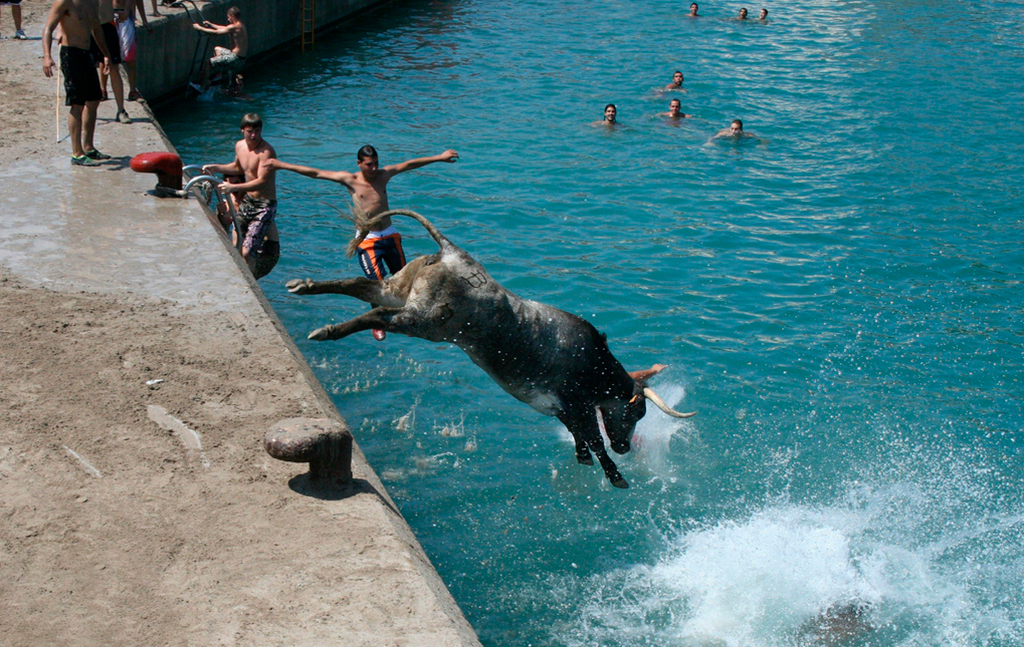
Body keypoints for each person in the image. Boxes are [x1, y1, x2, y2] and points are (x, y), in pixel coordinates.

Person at [267, 146, 459, 340]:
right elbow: (315, 173)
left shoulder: (384, 175)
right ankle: (376, 322)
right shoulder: (350, 180)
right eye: (369, 165)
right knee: (376, 284)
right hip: (368, 241)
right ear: (359, 164)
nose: (374, 168)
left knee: (405, 280)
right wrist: (281, 165)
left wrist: (439, 158)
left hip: (390, 236)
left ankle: (415, 317)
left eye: (376, 163)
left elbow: (409, 164)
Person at [201, 113, 280, 280]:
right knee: (236, 242)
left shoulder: (266, 152)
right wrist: (216, 168)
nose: (253, 135)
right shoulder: (240, 147)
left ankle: (250, 284)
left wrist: (233, 187)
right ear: (242, 130)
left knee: (247, 250)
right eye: (250, 131)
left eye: (257, 131)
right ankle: (237, 276)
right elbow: (238, 167)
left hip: (264, 204)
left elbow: (262, 182)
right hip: (249, 201)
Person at [43, 0, 112, 166]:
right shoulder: (65, 2)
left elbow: (96, 29)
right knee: (77, 103)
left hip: (87, 54)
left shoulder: (93, 3)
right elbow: (48, 28)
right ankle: (77, 153)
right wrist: (47, 56)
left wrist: (106, 54)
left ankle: (88, 147)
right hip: (71, 54)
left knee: (94, 99)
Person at [191, 6, 247, 91]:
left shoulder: (235, 27)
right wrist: (210, 24)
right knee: (217, 49)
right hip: (238, 57)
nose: (228, 19)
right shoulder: (239, 25)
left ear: (232, 16)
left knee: (208, 63)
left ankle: (201, 87)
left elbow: (216, 32)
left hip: (235, 59)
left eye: (228, 17)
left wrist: (200, 28)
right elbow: (224, 28)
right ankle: (218, 76)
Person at [93, 0, 129, 123]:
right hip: (86, 25)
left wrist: (125, 8)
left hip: (106, 23)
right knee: (85, 67)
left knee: (114, 67)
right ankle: (81, 109)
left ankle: (121, 110)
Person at [114, 0, 149, 101]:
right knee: (106, 56)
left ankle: (133, 90)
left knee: (130, 56)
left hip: (125, 16)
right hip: (109, 15)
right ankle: (103, 90)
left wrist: (144, 20)